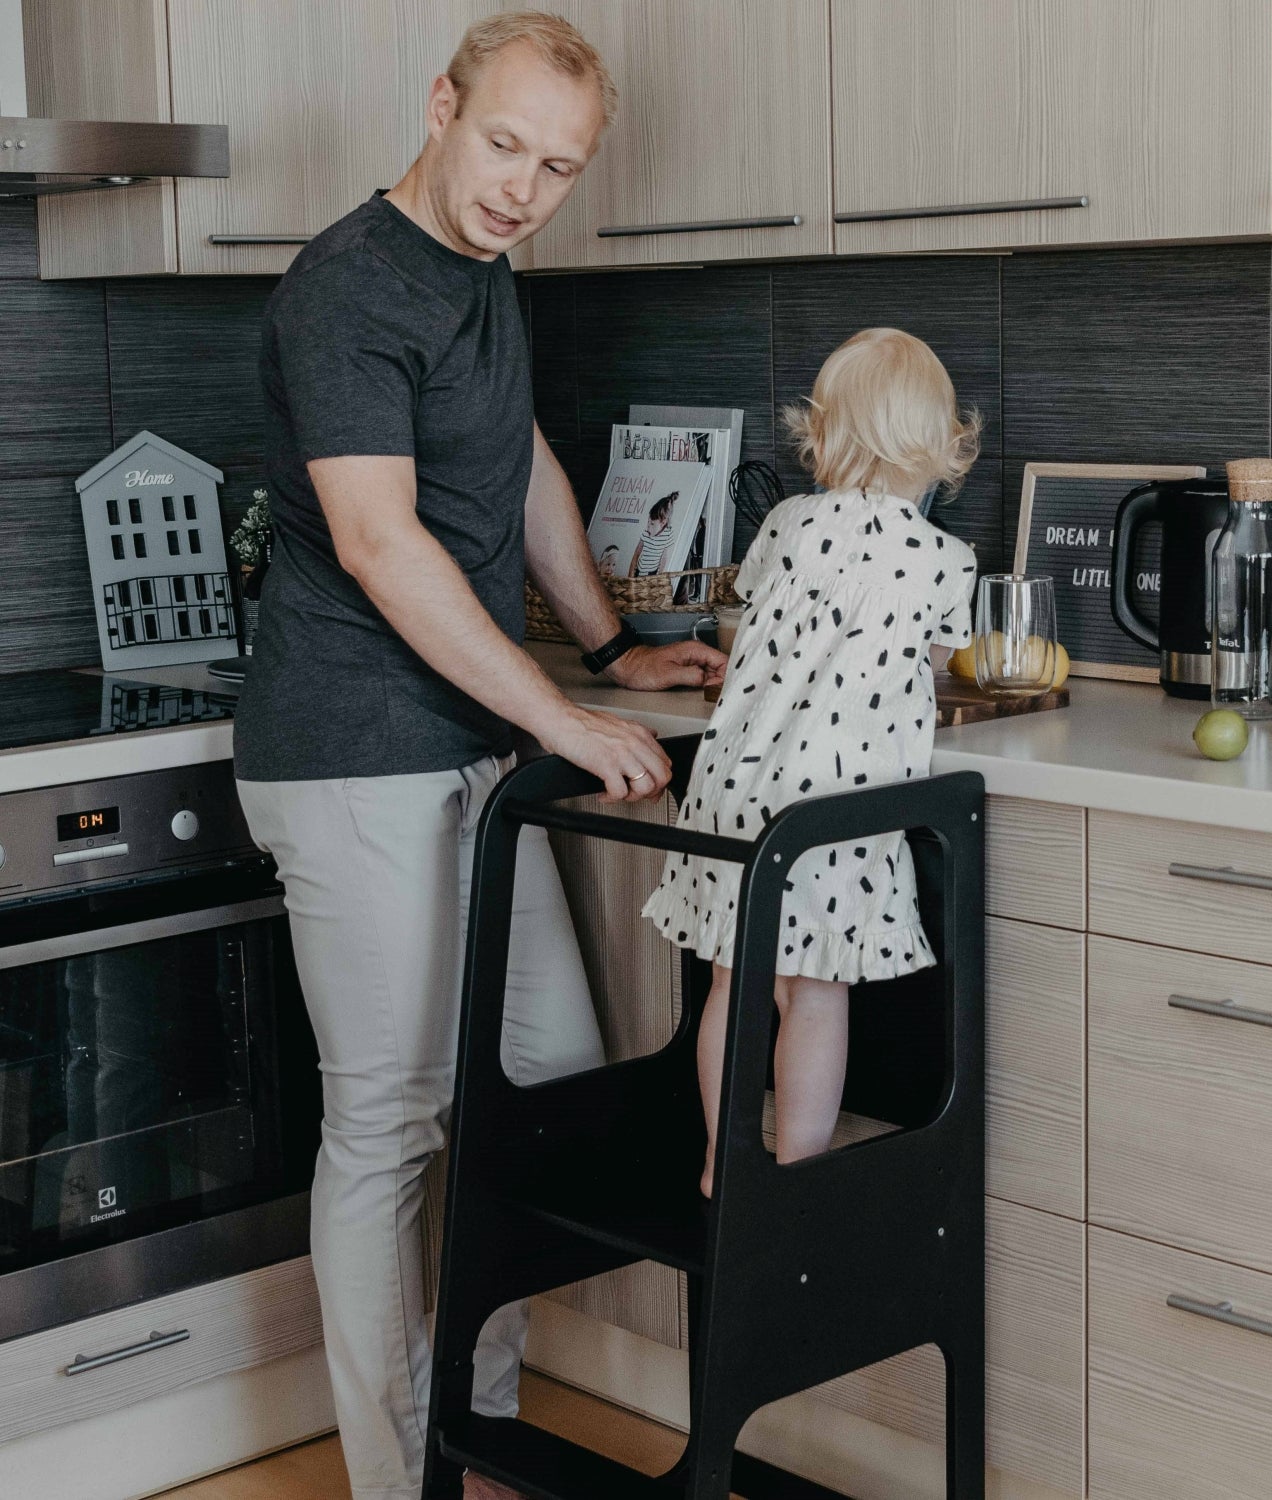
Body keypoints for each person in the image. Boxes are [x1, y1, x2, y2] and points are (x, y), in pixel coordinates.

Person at [231, 14, 723, 1500]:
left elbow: (519, 477)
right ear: (441, 108)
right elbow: (383, 543)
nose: (522, 186)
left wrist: (611, 650)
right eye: (502, 145)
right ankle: (407, 1480)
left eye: (556, 166)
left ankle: (476, 1426)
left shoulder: (484, 276)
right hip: (351, 752)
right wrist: (563, 716)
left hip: (467, 754)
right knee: (386, 1126)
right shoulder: (348, 288)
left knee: (547, 1084)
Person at [642, 329, 980, 1197]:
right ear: (940, 443)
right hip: (831, 816)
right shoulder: (944, 560)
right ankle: (795, 1178)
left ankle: (725, 1162)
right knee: (817, 995)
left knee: (733, 983)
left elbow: (755, 619)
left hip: (734, 792)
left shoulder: (787, 524)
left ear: (824, 433)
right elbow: (942, 663)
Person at [627, 490, 677, 576]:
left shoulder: (667, 535)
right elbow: (636, 554)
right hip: (639, 570)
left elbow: (664, 558)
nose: (648, 526)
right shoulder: (646, 533)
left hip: (652, 573)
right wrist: (630, 574)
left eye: (652, 524)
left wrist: (658, 576)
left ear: (663, 523)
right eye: (648, 522)